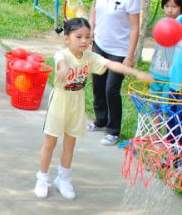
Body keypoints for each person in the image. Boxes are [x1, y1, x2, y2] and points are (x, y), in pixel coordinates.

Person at [36, 18, 152, 200]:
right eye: (78, 36)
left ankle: (63, 179)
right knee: (50, 143)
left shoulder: (90, 57)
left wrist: (136, 73)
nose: (84, 40)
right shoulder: (62, 54)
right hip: (60, 101)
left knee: (70, 144)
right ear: (67, 38)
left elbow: (112, 64)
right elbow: (60, 60)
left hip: (77, 103)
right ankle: (42, 179)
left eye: (88, 36)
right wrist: (63, 68)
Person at [88, 0, 141, 146]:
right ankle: (100, 120)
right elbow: (94, 8)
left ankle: (113, 131)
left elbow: (135, 28)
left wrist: (130, 56)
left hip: (119, 51)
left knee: (111, 89)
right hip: (99, 45)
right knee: (98, 85)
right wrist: (91, 29)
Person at [148, 0, 182, 89]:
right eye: (167, 6)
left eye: (174, 7)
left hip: (171, 76)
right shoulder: (161, 22)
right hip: (155, 71)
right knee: (153, 98)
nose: (170, 10)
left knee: (166, 99)